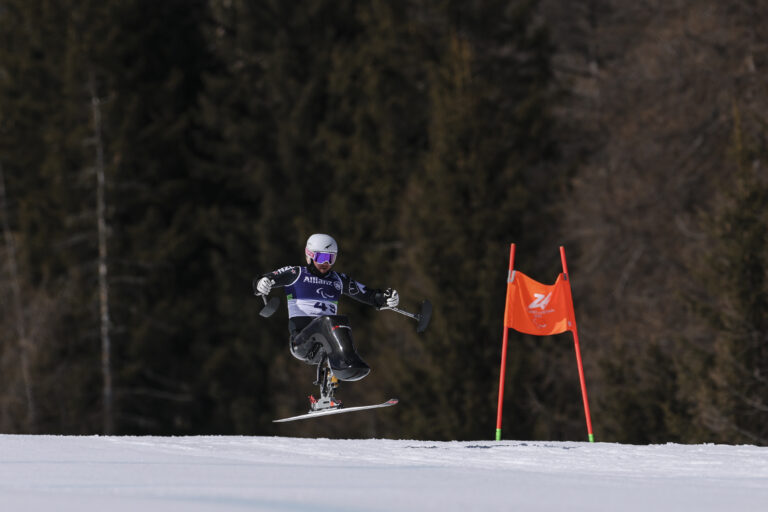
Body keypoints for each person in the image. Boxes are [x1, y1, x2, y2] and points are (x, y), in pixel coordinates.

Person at [254, 233, 399, 410]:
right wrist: (262, 283)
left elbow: (367, 294)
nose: (326, 263)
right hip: (302, 342)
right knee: (328, 321)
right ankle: (348, 364)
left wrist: (385, 298)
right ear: (309, 255)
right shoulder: (296, 273)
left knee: (341, 321)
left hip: (325, 345)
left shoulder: (337, 280)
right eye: (322, 257)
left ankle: (326, 396)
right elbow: (265, 278)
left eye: (331, 258)